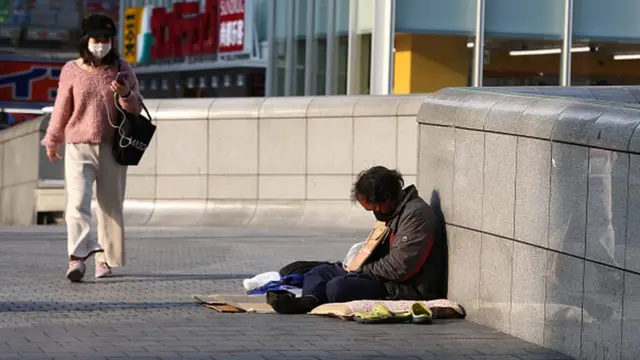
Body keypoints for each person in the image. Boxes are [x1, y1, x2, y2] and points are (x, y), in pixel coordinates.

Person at [41, 14, 141, 282]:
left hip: (112, 147)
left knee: (110, 206)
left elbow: (136, 107)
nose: (103, 44)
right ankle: (77, 258)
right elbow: (62, 108)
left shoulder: (121, 68)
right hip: (78, 145)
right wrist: (52, 139)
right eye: (98, 39)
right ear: (87, 40)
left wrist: (124, 94)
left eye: (108, 39)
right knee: (77, 203)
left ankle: (104, 259)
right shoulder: (71, 70)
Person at [268, 166, 447, 314]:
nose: (374, 212)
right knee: (320, 272)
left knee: (337, 287)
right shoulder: (394, 212)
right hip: (379, 273)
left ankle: (318, 297)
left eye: (374, 207)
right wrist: (356, 265)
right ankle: (309, 301)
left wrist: (362, 270)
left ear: (386, 198)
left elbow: (400, 267)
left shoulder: (415, 215)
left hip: (405, 287)